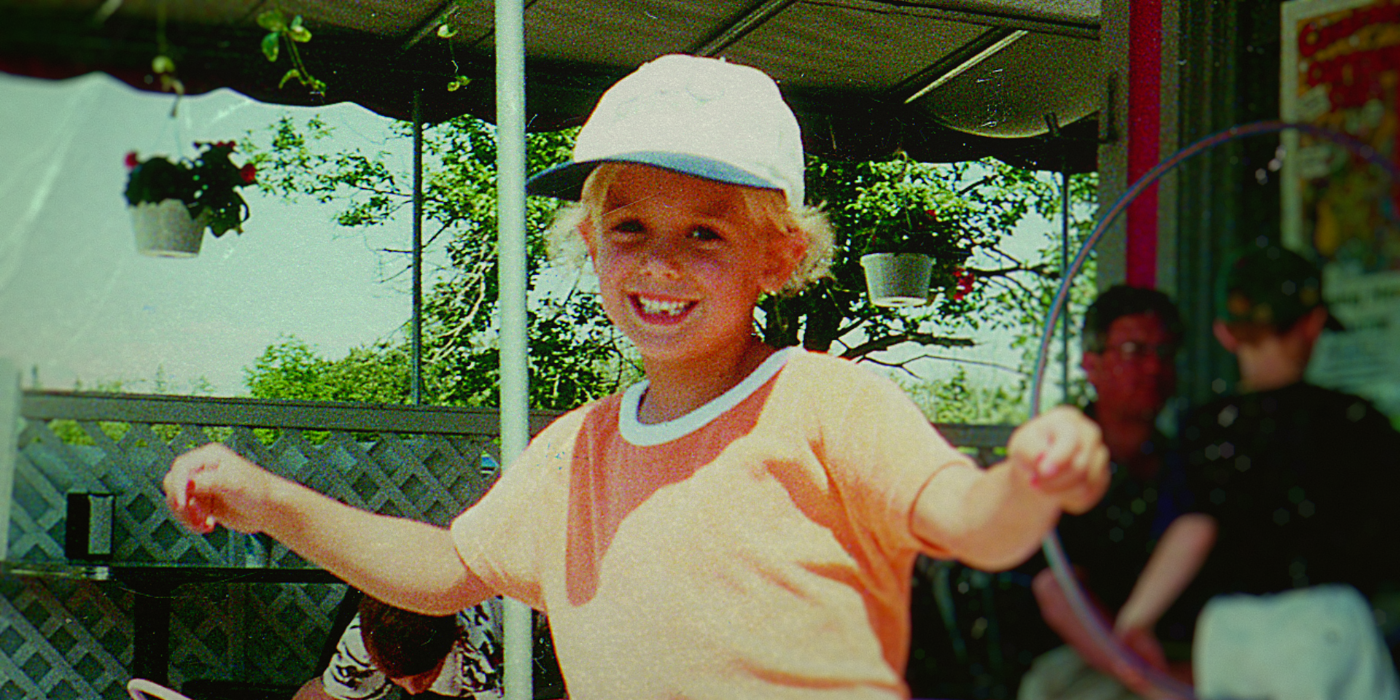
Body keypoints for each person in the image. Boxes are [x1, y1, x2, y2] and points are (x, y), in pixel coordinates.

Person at [162, 53, 1109, 699]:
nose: (661, 263)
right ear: (588, 246)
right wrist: (270, 500)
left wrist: (1034, 482)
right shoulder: (575, 451)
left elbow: (976, 529)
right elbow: (448, 570)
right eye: (630, 230)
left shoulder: (829, 405)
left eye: (706, 233)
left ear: (777, 258)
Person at [1106, 245, 1400, 698]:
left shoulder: (1205, 428)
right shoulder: (1355, 421)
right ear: (1314, 325)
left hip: (1228, 631)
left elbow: (1194, 526)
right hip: (1324, 624)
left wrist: (1136, 618)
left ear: (1225, 334)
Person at [1019, 286, 1186, 700]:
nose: (1152, 367)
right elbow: (1056, 592)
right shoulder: (1060, 457)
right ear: (1090, 365)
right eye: (1134, 350)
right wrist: (1149, 680)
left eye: (1164, 353)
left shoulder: (1182, 463)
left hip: (1170, 654)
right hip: (1075, 660)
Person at [293, 595, 502, 700]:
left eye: (423, 676)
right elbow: (329, 693)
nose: (413, 689)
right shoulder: (362, 640)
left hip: (507, 652)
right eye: (397, 676)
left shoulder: (479, 651)